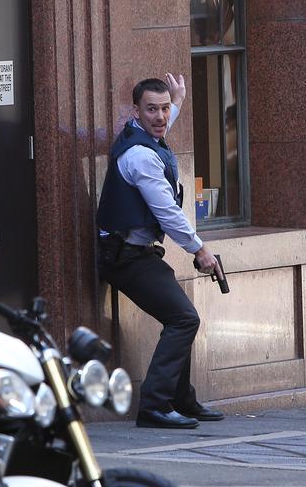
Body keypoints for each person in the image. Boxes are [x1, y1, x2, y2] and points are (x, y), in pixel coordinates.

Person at [97, 74, 225, 429]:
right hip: (124, 257)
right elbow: (167, 212)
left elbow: (162, 125)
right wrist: (199, 250)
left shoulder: (142, 136)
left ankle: (180, 400)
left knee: (179, 316)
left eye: (165, 108)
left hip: (137, 253)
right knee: (184, 318)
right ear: (135, 111)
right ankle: (154, 405)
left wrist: (178, 100)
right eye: (151, 109)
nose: (161, 116)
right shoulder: (141, 157)